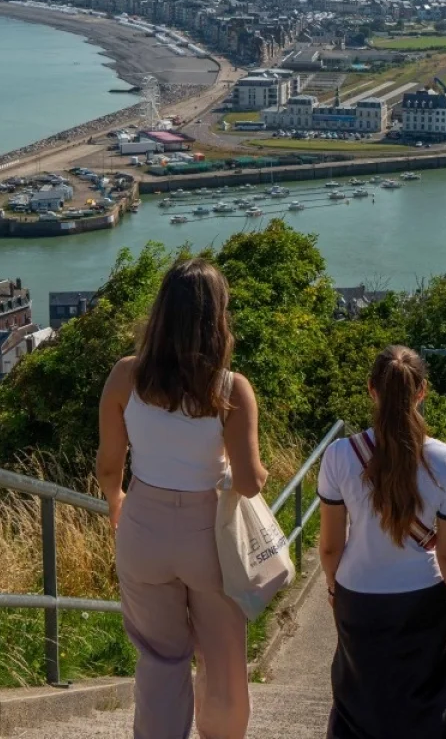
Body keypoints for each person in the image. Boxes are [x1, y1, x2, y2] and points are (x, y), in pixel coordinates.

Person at [98, 258, 267, 739]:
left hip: (143, 526)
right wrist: (252, 470)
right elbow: (250, 482)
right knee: (223, 657)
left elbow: (110, 465)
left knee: (159, 657)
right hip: (208, 535)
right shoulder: (231, 388)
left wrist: (116, 502)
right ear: (217, 319)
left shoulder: (125, 377)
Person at [317, 345, 446, 739]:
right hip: (422, 598)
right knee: (429, 705)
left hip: (358, 592)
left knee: (361, 699)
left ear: (371, 389)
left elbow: (329, 546)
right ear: (422, 391)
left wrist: (333, 588)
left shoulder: (339, 455)